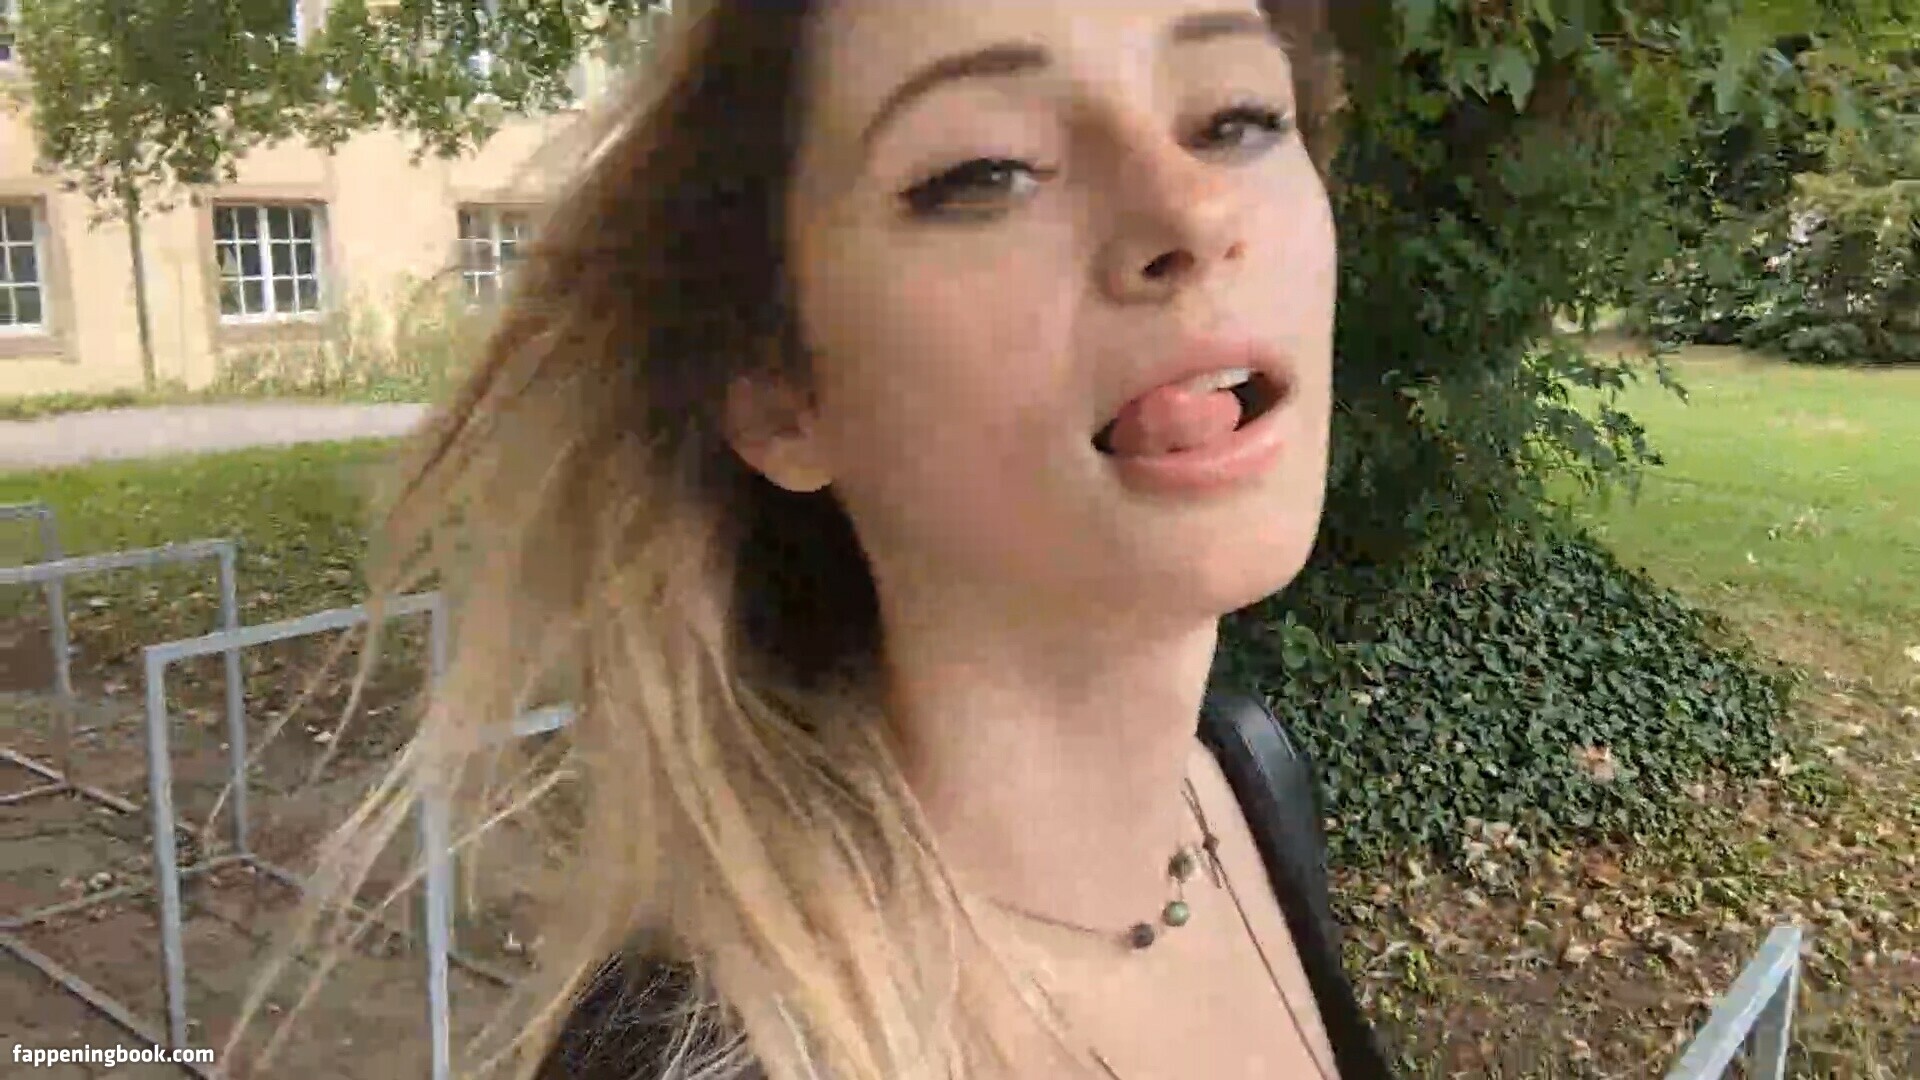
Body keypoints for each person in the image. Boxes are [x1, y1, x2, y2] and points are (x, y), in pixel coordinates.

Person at [349, 0, 1395, 1076]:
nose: (1192, 208)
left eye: (1235, 118)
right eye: (988, 170)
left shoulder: (1247, 781)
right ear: (779, 394)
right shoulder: (690, 1056)